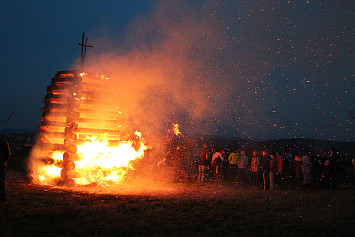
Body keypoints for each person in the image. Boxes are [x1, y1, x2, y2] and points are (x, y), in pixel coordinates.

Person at [0, 136, 11, 203]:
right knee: (1, 182)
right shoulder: (3, 142)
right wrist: (4, 161)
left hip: (1, 164)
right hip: (1, 164)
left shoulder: (3, 142)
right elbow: (8, 154)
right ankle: (2, 198)